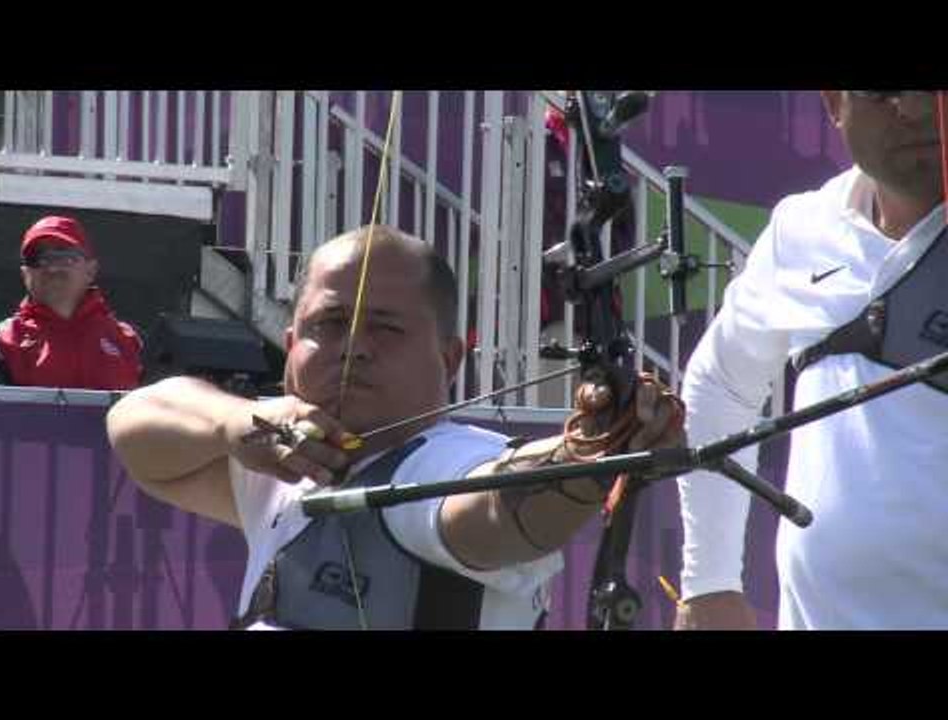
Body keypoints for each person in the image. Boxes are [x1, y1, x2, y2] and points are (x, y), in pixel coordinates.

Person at [107, 224, 684, 630]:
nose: (353, 347)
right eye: (328, 324)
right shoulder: (283, 465)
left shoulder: (447, 461)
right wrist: (233, 422)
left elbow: (496, 512)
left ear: (450, 359)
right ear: (288, 349)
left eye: (385, 329)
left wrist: (588, 453)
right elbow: (135, 428)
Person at [675, 91, 947, 629]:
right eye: (884, 91)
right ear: (833, 102)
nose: (915, 109)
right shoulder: (802, 229)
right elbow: (721, 385)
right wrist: (708, 584)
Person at [0, 215, 142, 390]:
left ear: (91, 271)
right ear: (25, 275)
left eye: (66, 257)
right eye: (39, 259)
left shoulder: (132, 341)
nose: (53, 268)